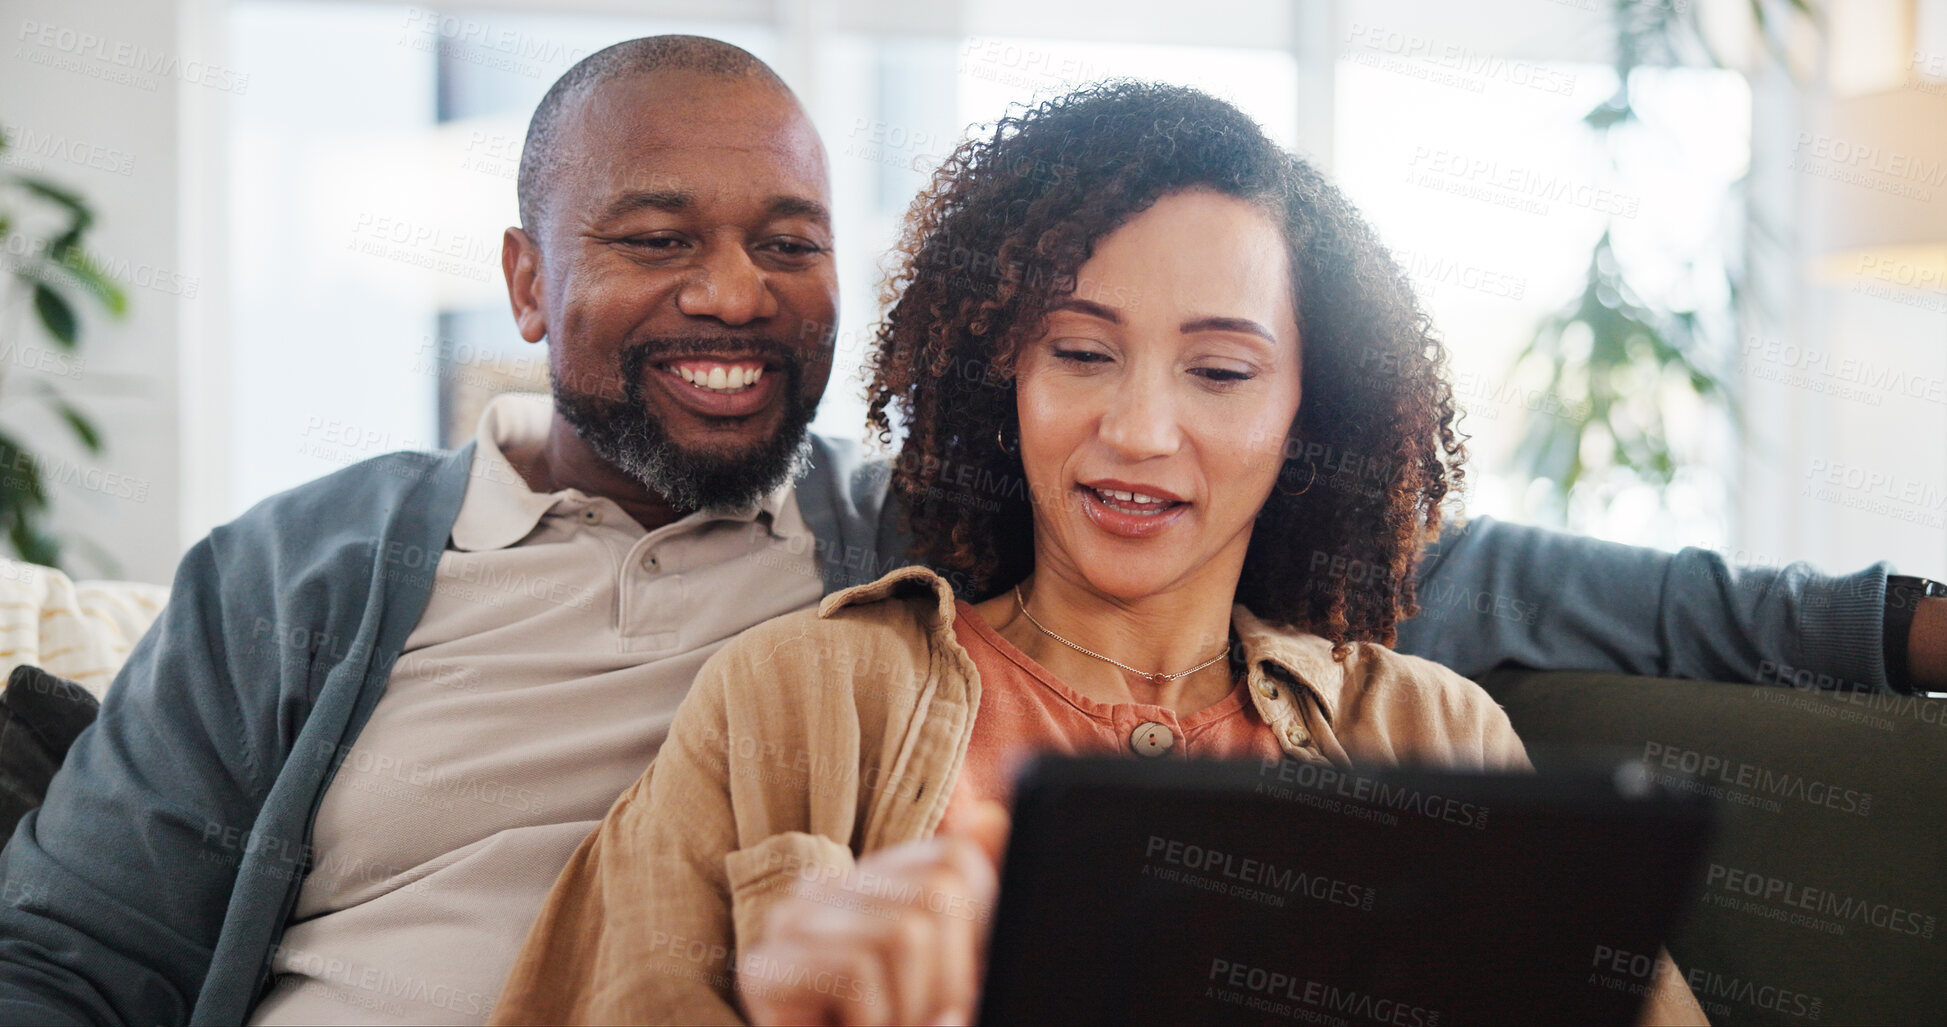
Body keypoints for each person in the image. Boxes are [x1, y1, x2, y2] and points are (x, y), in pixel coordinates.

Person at [0, 35, 1931, 1027]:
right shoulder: (326, 573)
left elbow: (1459, 568)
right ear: (526, 276)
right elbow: (74, 955)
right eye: (651, 240)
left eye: (784, 245)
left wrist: (1900, 627)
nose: (728, 299)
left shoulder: (1408, 720)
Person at [489, 81, 1705, 1027]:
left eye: (1221, 371)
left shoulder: (1441, 741)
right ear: (1000, 376)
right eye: (1079, 352)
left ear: (1306, 414)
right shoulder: (798, 702)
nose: (1137, 430)